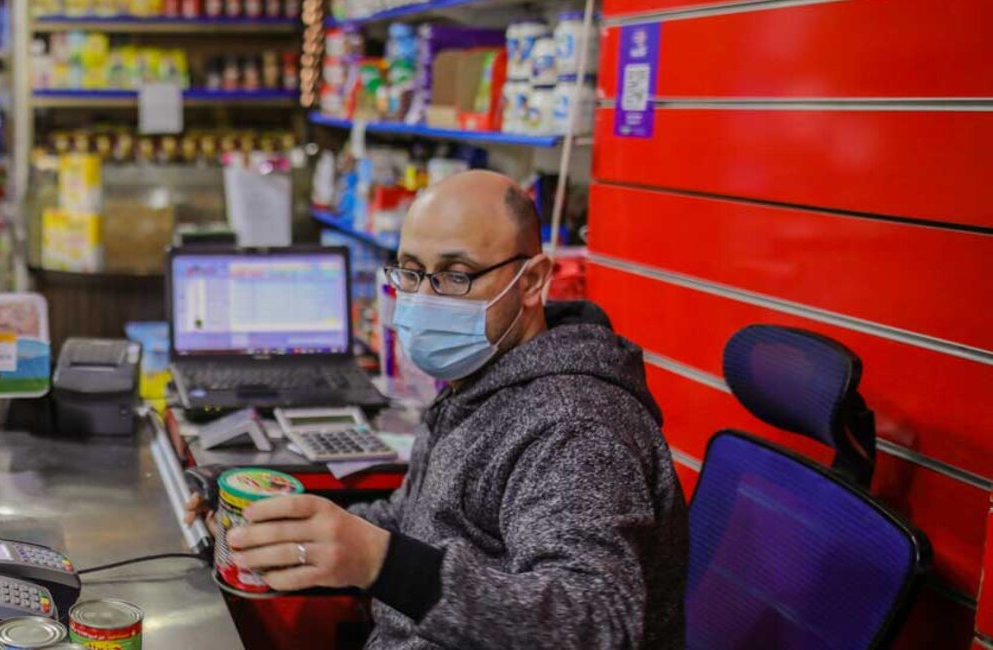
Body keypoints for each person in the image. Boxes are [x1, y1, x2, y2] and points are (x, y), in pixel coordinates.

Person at [201, 170, 687, 648]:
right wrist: (281, 526)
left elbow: (595, 622)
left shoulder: (575, 426)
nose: (424, 299)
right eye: (411, 272)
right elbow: (415, 522)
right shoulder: (483, 379)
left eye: (455, 276)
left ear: (533, 281)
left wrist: (382, 563)